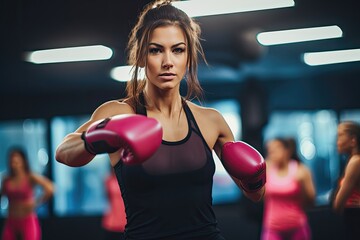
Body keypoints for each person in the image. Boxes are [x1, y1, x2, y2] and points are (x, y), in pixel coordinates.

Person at [55, 0, 266, 239]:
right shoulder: (119, 114)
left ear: (188, 56)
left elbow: (255, 195)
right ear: (141, 56)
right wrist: (99, 136)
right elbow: (63, 152)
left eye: (178, 50)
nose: (168, 61)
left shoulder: (210, 121)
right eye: (156, 50)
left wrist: (255, 178)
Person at [261, 137, 316, 240]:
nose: (272, 152)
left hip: (297, 227)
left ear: (287, 151)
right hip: (272, 228)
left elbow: (311, 201)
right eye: (269, 150)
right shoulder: (266, 169)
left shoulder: (301, 170)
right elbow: (259, 196)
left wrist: (302, 185)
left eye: (276, 149)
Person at [0, 147, 54, 240]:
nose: (14, 165)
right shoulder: (6, 179)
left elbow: (50, 187)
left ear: (23, 162)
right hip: (11, 220)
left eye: (17, 162)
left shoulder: (30, 176)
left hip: (27, 220)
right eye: (12, 162)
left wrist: (37, 202)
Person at [333, 121, 360, 239]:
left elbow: (337, 204)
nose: (337, 141)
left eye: (340, 135)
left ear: (353, 140)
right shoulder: (353, 160)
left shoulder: (355, 161)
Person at [101, 167, 126, 240]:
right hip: (111, 223)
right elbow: (106, 197)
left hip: (127, 222)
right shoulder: (108, 180)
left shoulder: (127, 179)